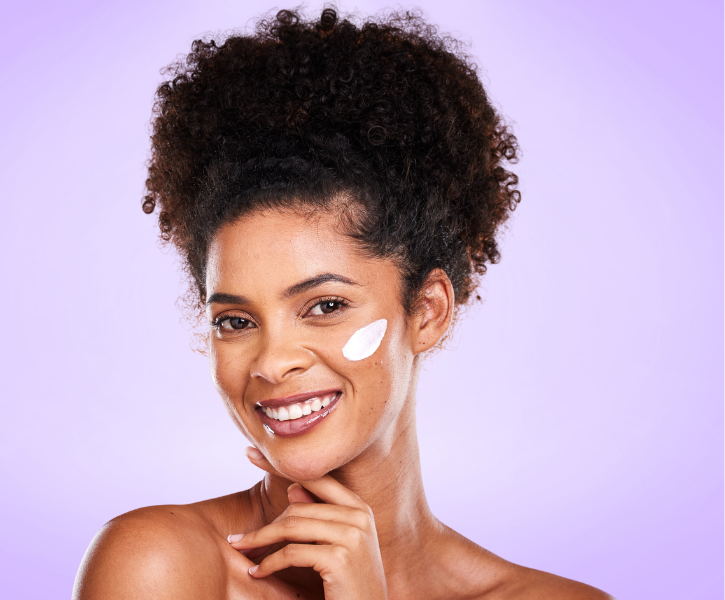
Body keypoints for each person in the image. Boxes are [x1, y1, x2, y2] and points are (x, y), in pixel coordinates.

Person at [73, 8, 612, 599]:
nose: (272, 362)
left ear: (427, 310)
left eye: (325, 306)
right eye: (235, 320)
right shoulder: (162, 566)